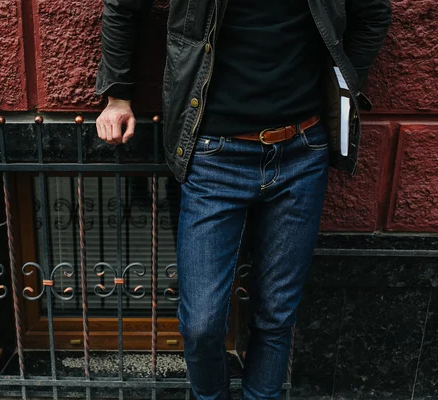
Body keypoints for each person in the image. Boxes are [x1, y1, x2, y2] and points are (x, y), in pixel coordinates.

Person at [94, 0, 391, 398]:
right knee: (201, 323)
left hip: (302, 151)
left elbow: (372, 13)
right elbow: (122, 6)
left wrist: (344, 87)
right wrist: (117, 96)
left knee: (275, 315)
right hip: (214, 155)